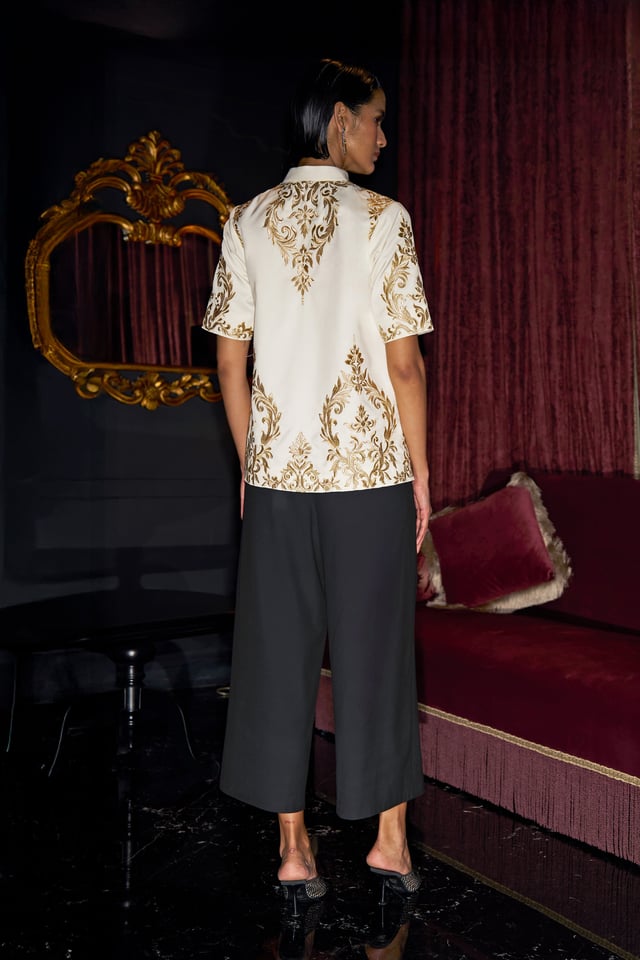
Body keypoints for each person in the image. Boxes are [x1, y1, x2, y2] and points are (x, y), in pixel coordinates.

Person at [203, 57, 433, 908]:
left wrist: (252, 463)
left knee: (274, 657)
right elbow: (405, 366)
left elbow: (229, 363)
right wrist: (421, 475)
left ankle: (294, 853)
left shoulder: (244, 219)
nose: (383, 136)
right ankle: (388, 842)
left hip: (277, 479)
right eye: (375, 119)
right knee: (378, 656)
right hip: (368, 475)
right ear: (339, 120)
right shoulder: (383, 218)